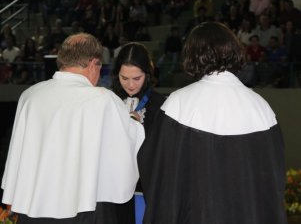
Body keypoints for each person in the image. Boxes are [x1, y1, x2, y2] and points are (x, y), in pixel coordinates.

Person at [138, 22, 287, 224]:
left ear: (191, 54)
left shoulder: (178, 104)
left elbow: (157, 173)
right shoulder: (262, 108)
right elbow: (273, 187)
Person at [1, 33, 145, 224]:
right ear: (93, 63)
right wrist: (133, 122)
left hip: (33, 207)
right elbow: (126, 147)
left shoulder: (30, 96)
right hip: (83, 208)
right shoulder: (102, 99)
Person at [111, 42, 166, 224]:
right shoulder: (109, 101)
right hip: (115, 187)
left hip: (148, 186)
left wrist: (140, 129)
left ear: (148, 75)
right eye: (124, 78)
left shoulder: (161, 105)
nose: (131, 85)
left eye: (137, 78)